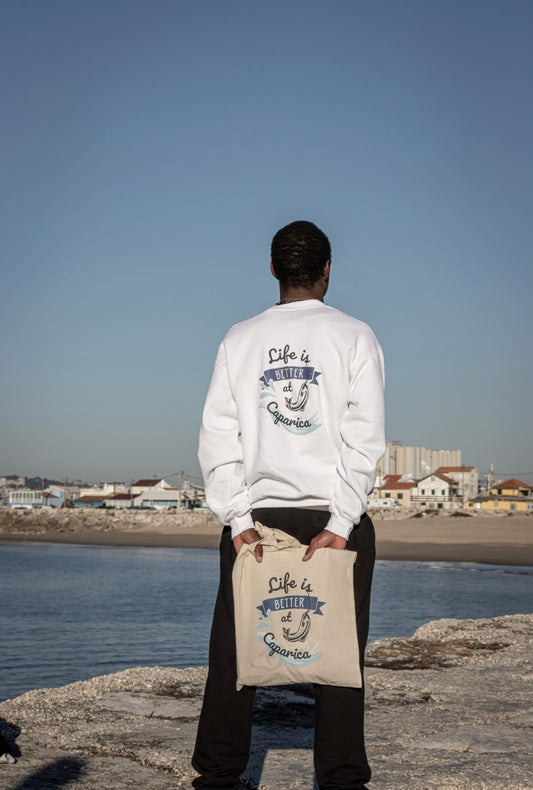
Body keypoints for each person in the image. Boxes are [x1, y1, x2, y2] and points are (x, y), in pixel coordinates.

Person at [192, 220, 385, 790]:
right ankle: (343, 780)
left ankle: (218, 778)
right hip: (333, 519)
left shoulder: (239, 338)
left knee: (232, 656)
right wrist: (344, 522)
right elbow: (364, 440)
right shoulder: (355, 335)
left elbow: (218, 438)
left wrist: (238, 521)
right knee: (339, 657)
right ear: (328, 270)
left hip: (259, 521)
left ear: (274, 270)